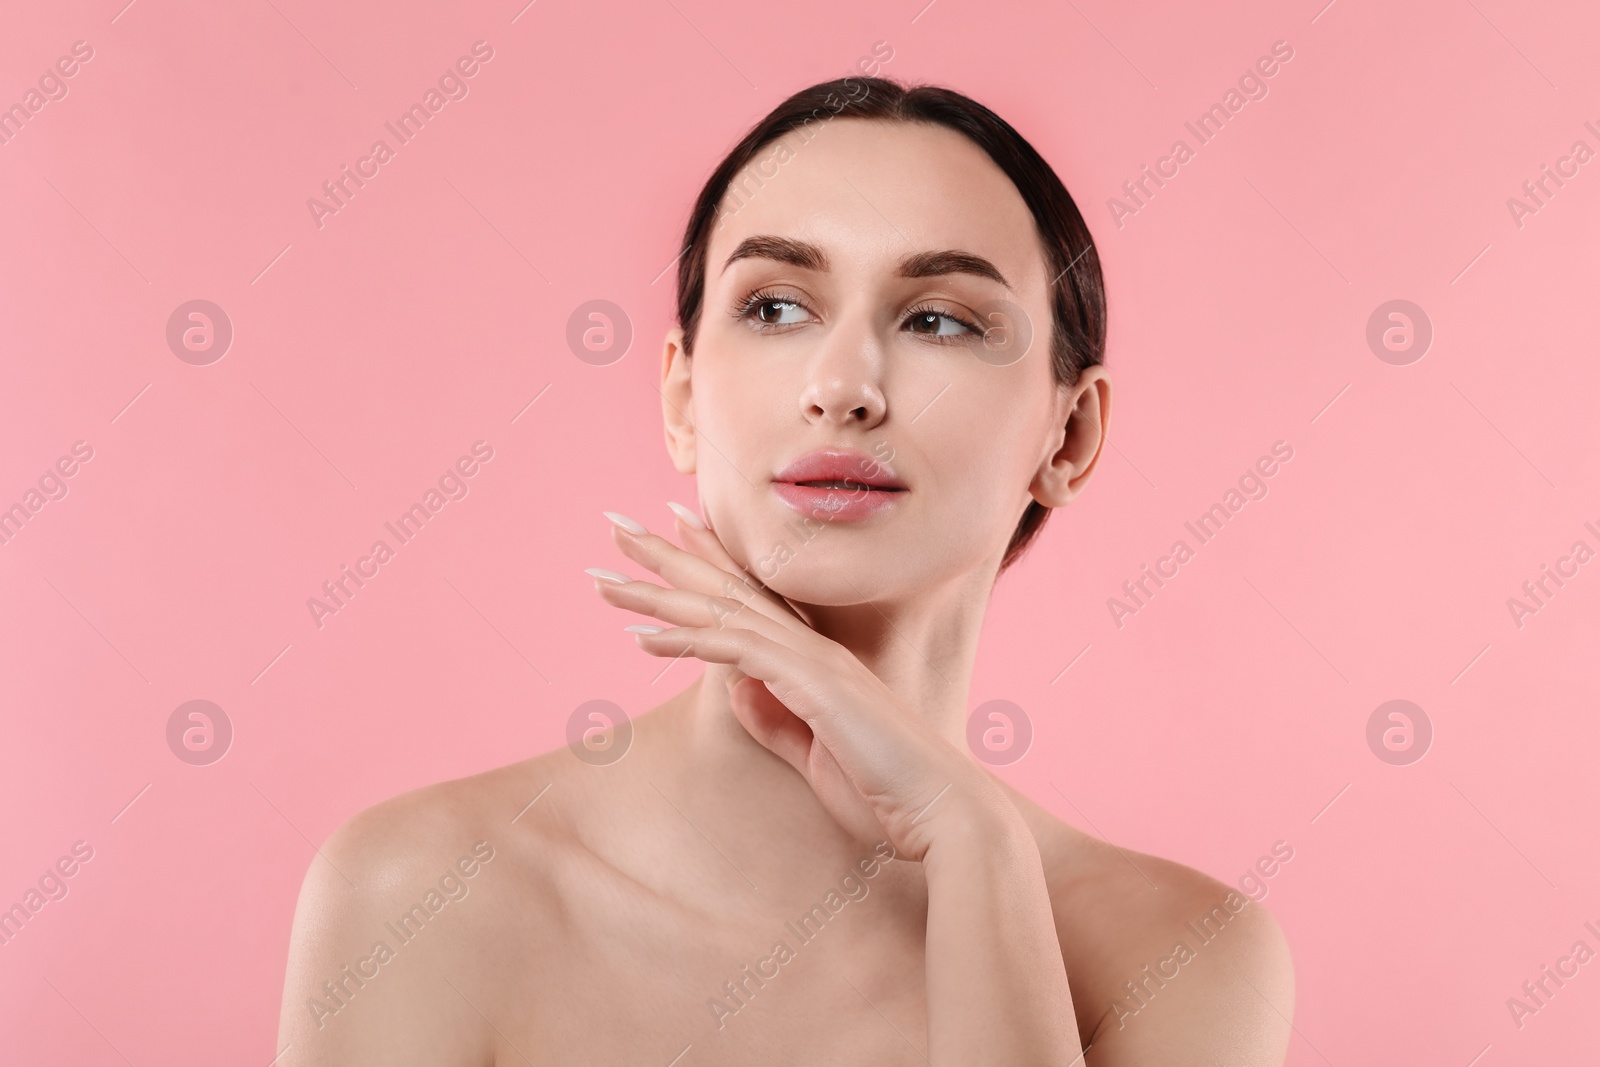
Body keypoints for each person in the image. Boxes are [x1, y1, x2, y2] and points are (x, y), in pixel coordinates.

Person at [275, 75, 1294, 1065]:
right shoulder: (419, 894)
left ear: (1068, 435)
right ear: (680, 395)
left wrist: (973, 846)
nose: (842, 385)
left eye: (938, 318)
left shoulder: (1180, 957)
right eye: (773, 307)